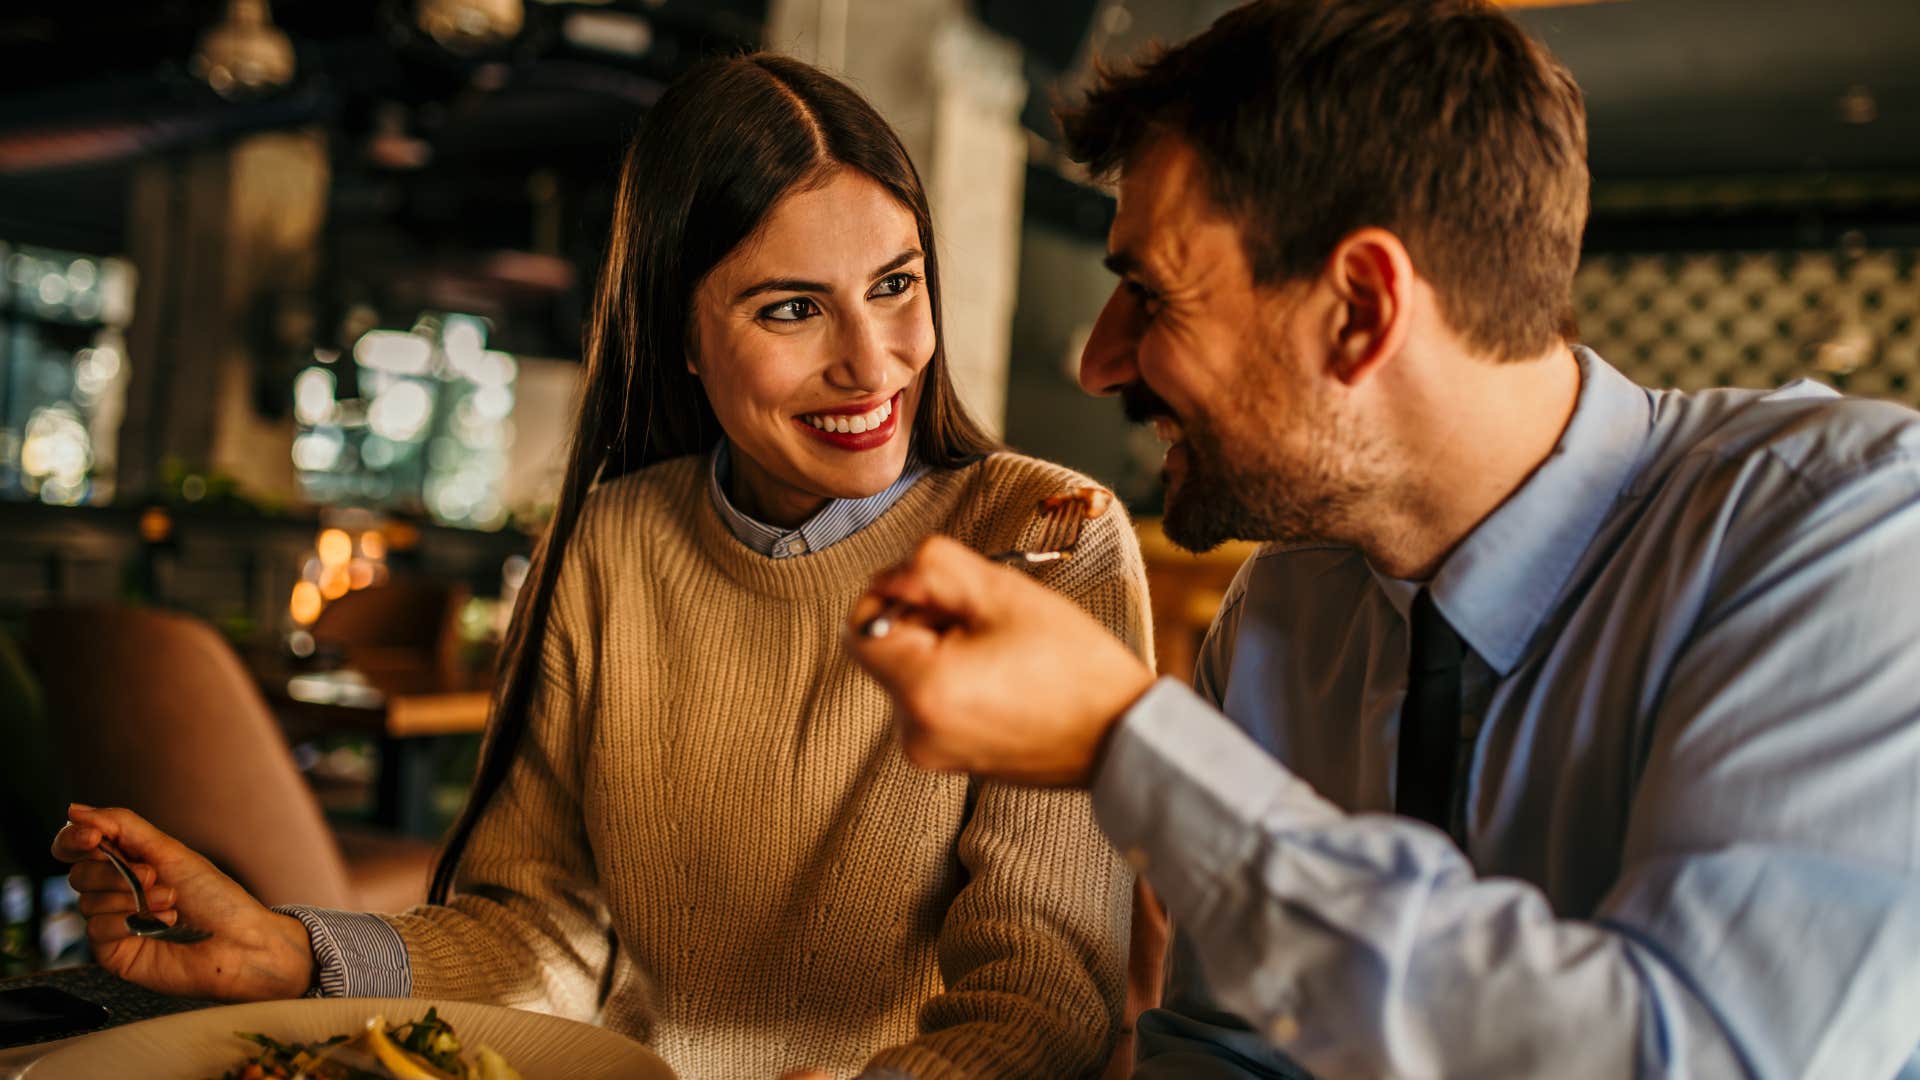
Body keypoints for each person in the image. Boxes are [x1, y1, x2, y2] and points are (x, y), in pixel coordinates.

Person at [846, 1, 1920, 1077]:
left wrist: (1131, 746)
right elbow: (1231, 1055)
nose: (1099, 361)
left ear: (1361, 308)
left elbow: (1695, 1055)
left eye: (1150, 295)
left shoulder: (1849, 531)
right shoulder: (1283, 606)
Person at [52, 52, 1150, 1080]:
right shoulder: (611, 542)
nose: (873, 361)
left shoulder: (1047, 533)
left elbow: (1046, 993)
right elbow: (543, 934)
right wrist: (287, 951)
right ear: (677, 332)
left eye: (895, 285)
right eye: (792, 308)